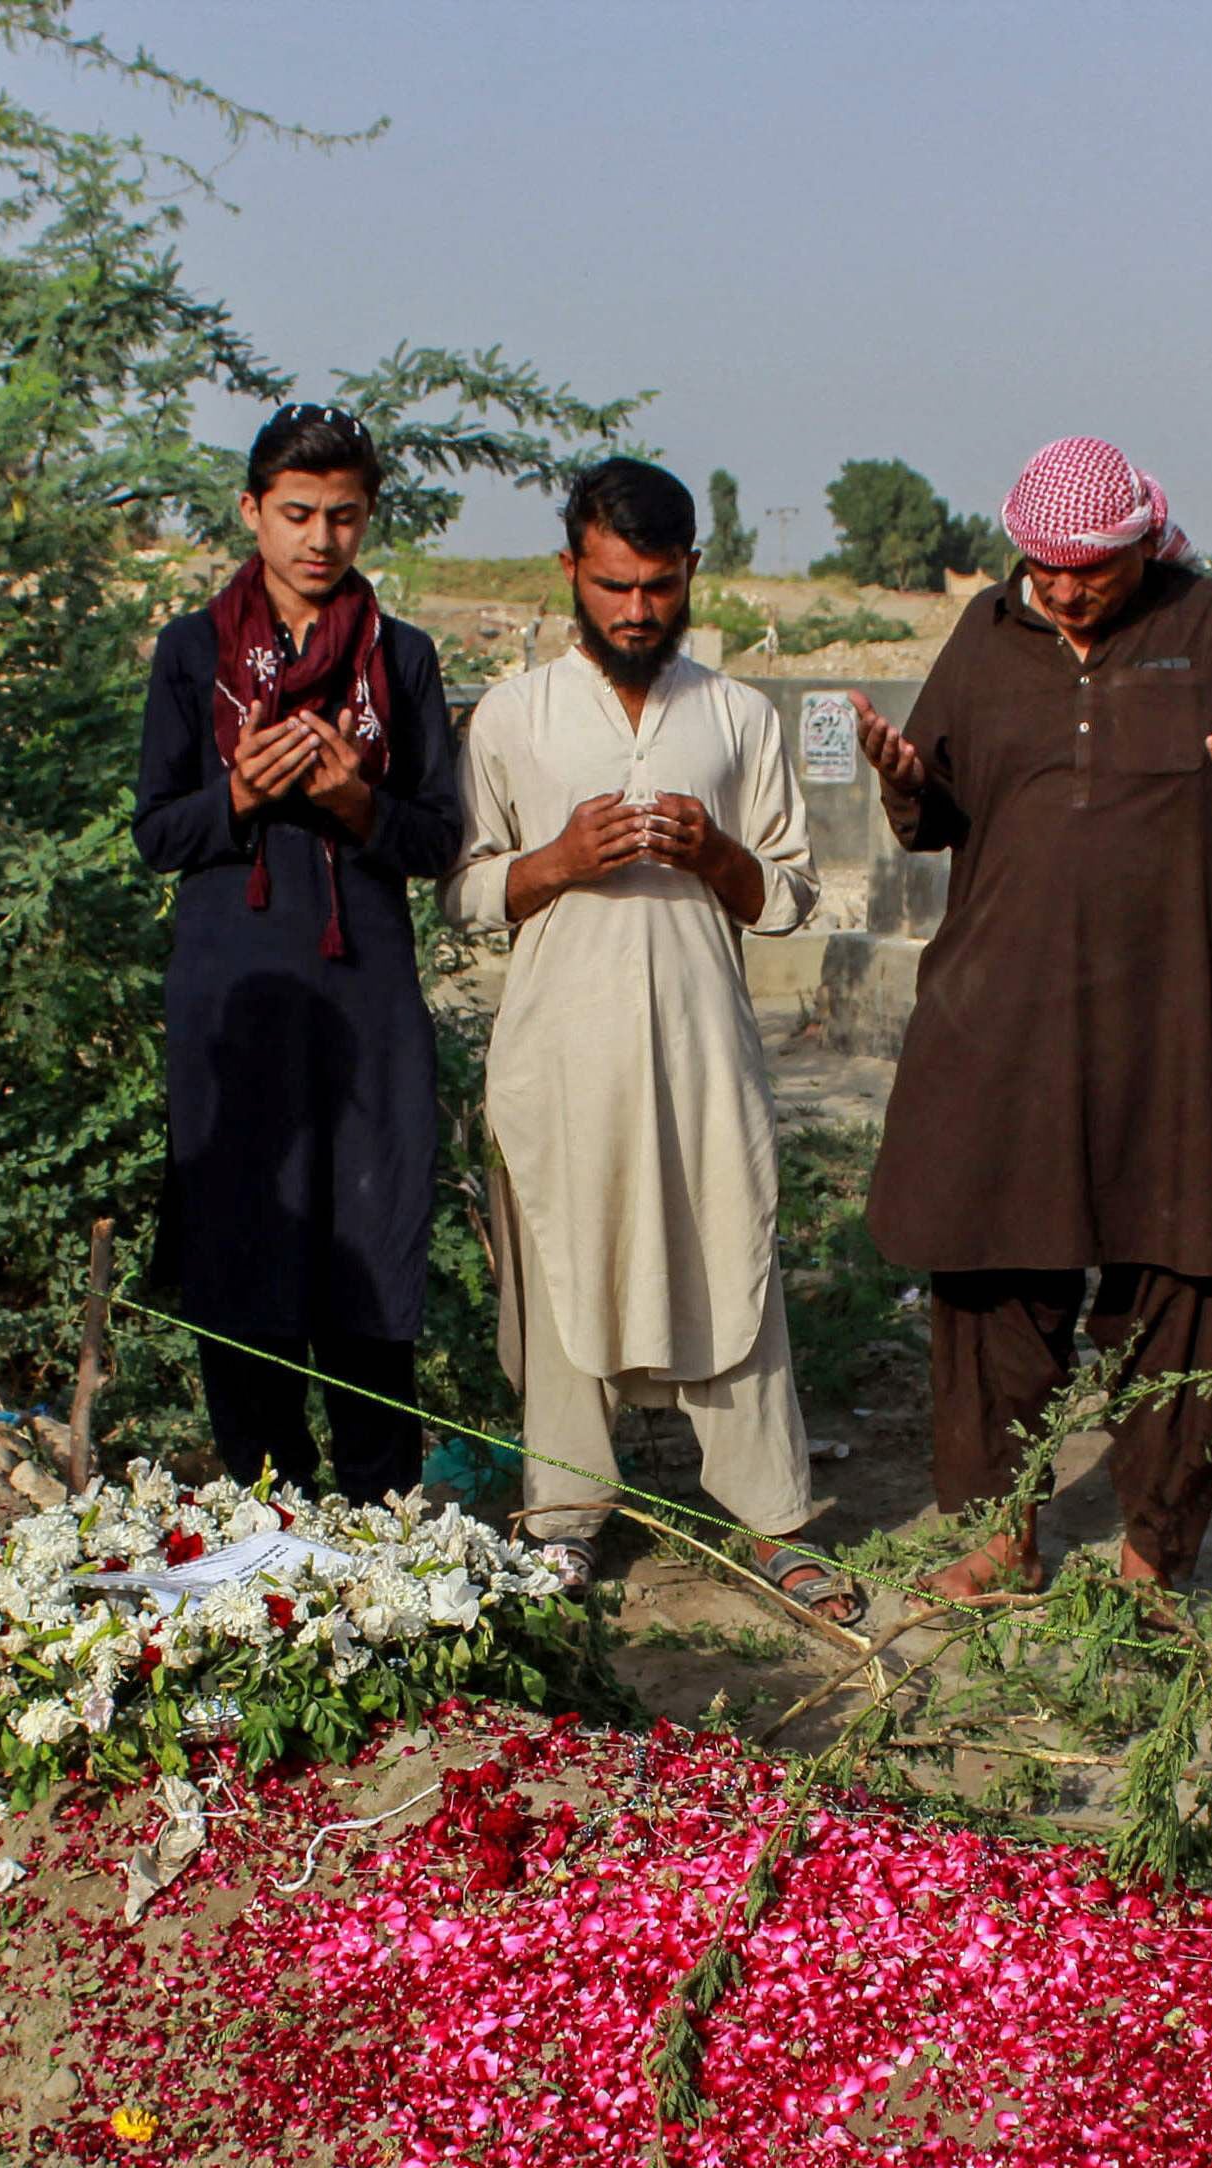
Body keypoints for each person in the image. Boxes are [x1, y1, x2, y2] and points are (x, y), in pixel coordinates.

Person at [854, 437, 1212, 1600]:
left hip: (1173, 1030)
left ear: (1142, 539)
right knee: (990, 1282)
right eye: (1045, 568)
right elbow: (933, 820)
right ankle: (1001, 1534)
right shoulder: (985, 636)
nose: (1067, 589)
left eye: (1092, 567)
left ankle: (1151, 1550)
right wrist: (902, 781)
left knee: (1177, 1283)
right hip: (1006, 1026)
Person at [449, 461, 851, 1616]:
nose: (636, 611)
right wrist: (556, 863)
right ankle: (564, 1516)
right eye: (615, 585)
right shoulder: (514, 716)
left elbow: (785, 892)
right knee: (567, 1260)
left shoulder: (734, 715)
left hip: (698, 1041)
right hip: (559, 1052)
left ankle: (771, 1512)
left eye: (660, 587)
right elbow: (466, 891)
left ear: (689, 578)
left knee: (729, 1244)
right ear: (571, 572)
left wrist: (715, 852)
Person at [134, 404, 462, 1501]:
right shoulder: (193, 653)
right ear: (251, 511)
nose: (319, 540)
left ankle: (381, 1520)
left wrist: (349, 798)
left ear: (367, 518)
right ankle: (264, 1505)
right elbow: (156, 833)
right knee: (241, 1237)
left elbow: (436, 837)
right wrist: (240, 789)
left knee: (370, 1235)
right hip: (236, 995)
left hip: (364, 996)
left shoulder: (400, 659)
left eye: (343, 516)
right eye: (296, 514)